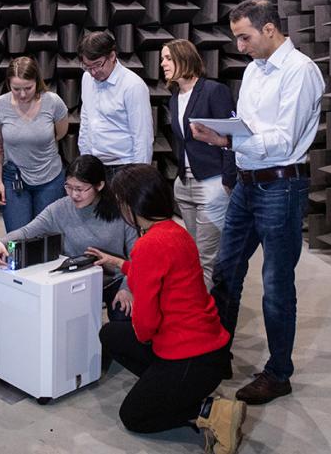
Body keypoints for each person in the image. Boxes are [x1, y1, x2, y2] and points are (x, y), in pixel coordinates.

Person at [191, 0, 324, 405]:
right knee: (226, 269)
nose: (240, 47)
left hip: (282, 188)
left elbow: (283, 140)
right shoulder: (251, 72)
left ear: (269, 30)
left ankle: (278, 373)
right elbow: (248, 129)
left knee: (276, 284)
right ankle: (217, 353)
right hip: (247, 186)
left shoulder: (301, 72)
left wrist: (227, 140)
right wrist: (231, 152)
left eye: (244, 37)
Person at [89, 165, 247, 454]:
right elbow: (156, 270)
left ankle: (210, 410)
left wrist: (139, 319)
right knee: (111, 333)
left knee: (134, 416)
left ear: (130, 206)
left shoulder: (149, 245)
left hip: (189, 355)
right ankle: (171, 387)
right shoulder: (175, 231)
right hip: (211, 350)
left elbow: (146, 325)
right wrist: (118, 262)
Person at [0, 155, 135, 320]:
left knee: (124, 317)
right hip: (75, 282)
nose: (74, 195)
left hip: (114, 281)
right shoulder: (60, 209)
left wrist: (126, 288)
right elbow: (27, 231)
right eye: (69, 187)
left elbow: (137, 258)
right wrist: (2, 242)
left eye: (80, 189)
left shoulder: (122, 210)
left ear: (100, 185)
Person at [161, 39, 235, 287]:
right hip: (184, 184)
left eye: (168, 58)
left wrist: (227, 181)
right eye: (162, 59)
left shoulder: (214, 91)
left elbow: (232, 137)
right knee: (191, 255)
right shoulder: (175, 97)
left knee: (207, 259)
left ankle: (205, 319)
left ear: (185, 58)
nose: (163, 63)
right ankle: (196, 310)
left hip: (211, 184)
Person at [0, 56, 69, 231]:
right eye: (16, 89)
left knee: (47, 239)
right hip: (14, 179)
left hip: (50, 180)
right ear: (9, 84)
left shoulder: (53, 102)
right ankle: (15, 261)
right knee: (16, 240)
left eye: (28, 88)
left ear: (37, 82)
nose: (23, 94)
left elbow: (60, 133)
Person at [77, 31, 154, 175]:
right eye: (87, 66)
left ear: (112, 56)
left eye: (97, 65)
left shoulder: (133, 85)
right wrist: (85, 159)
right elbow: (86, 121)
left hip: (124, 167)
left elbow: (142, 137)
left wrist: (140, 176)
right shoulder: (87, 78)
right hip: (95, 165)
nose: (93, 72)